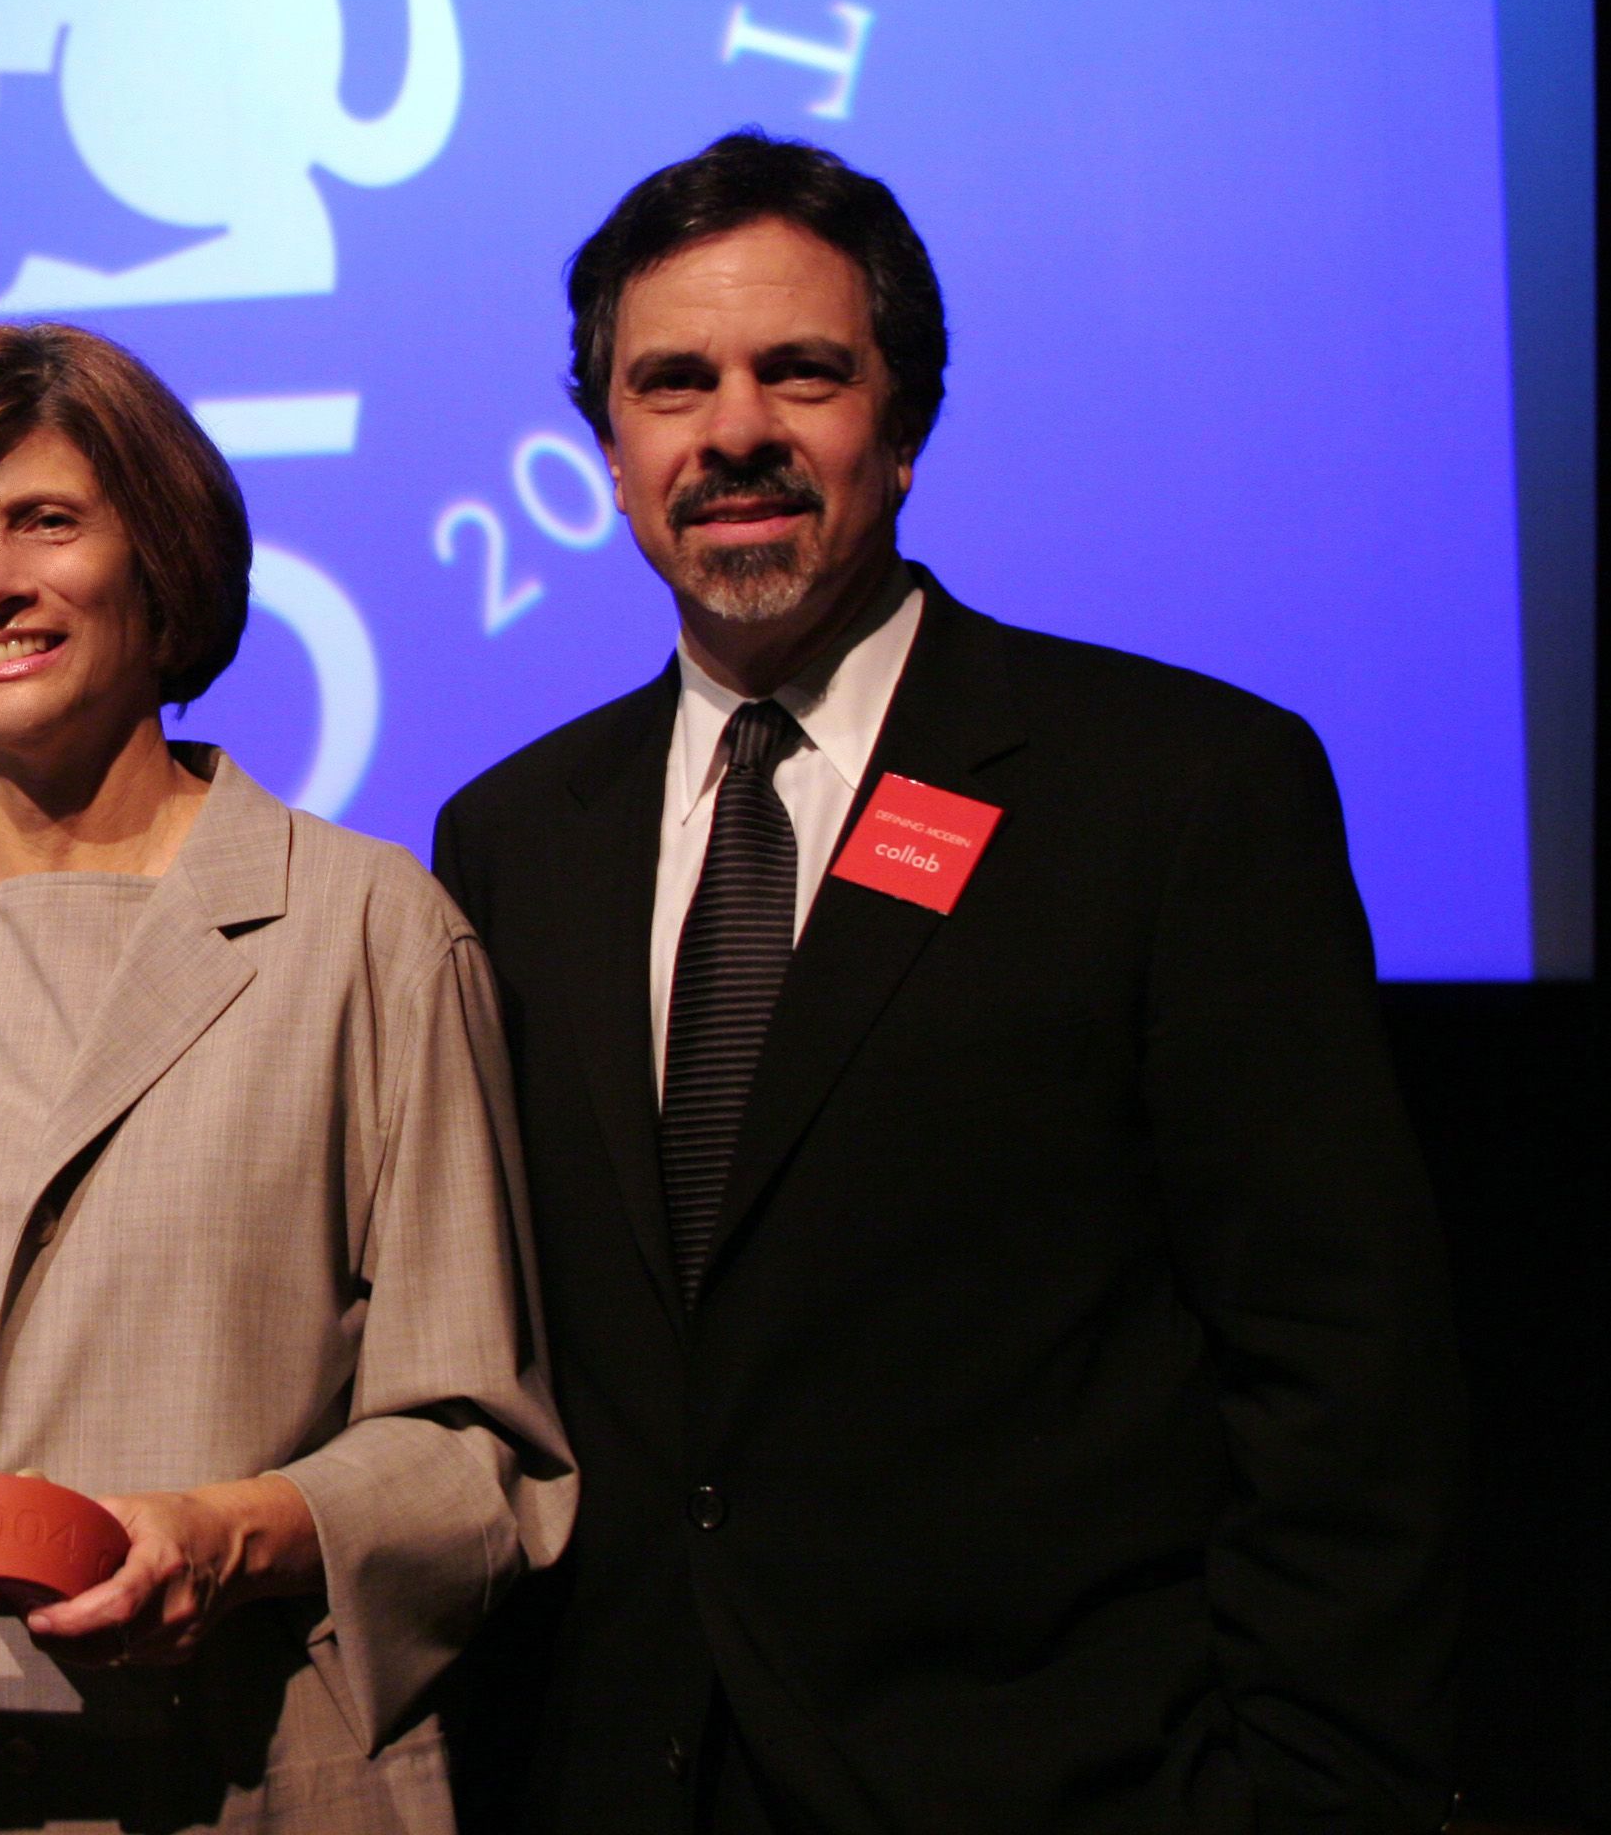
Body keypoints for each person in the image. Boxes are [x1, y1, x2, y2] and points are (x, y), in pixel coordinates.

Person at [431, 130, 1464, 1832]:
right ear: (610, 455)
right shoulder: (511, 838)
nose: (734, 430)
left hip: (1060, 1785)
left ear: (903, 428)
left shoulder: (1176, 790)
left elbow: (1341, 1368)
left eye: (802, 372)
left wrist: (1306, 1791)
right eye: (673, 383)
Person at [0, 322, 572, 1832]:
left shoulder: (369, 933)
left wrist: (233, 1537)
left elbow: (479, 1456)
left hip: (221, 1780)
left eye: (46, 522)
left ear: (163, 556)